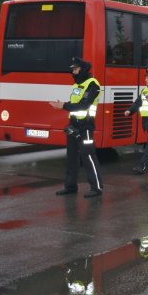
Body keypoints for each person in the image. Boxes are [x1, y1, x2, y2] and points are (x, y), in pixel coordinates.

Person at [50, 57, 103, 198]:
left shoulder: (93, 85)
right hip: (73, 125)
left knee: (88, 156)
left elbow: (84, 105)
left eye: (75, 69)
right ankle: (70, 186)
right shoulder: (76, 86)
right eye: (72, 70)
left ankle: (96, 187)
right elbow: (74, 104)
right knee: (71, 157)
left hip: (85, 126)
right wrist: (62, 104)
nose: (73, 72)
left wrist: (63, 106)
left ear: (83, 69)